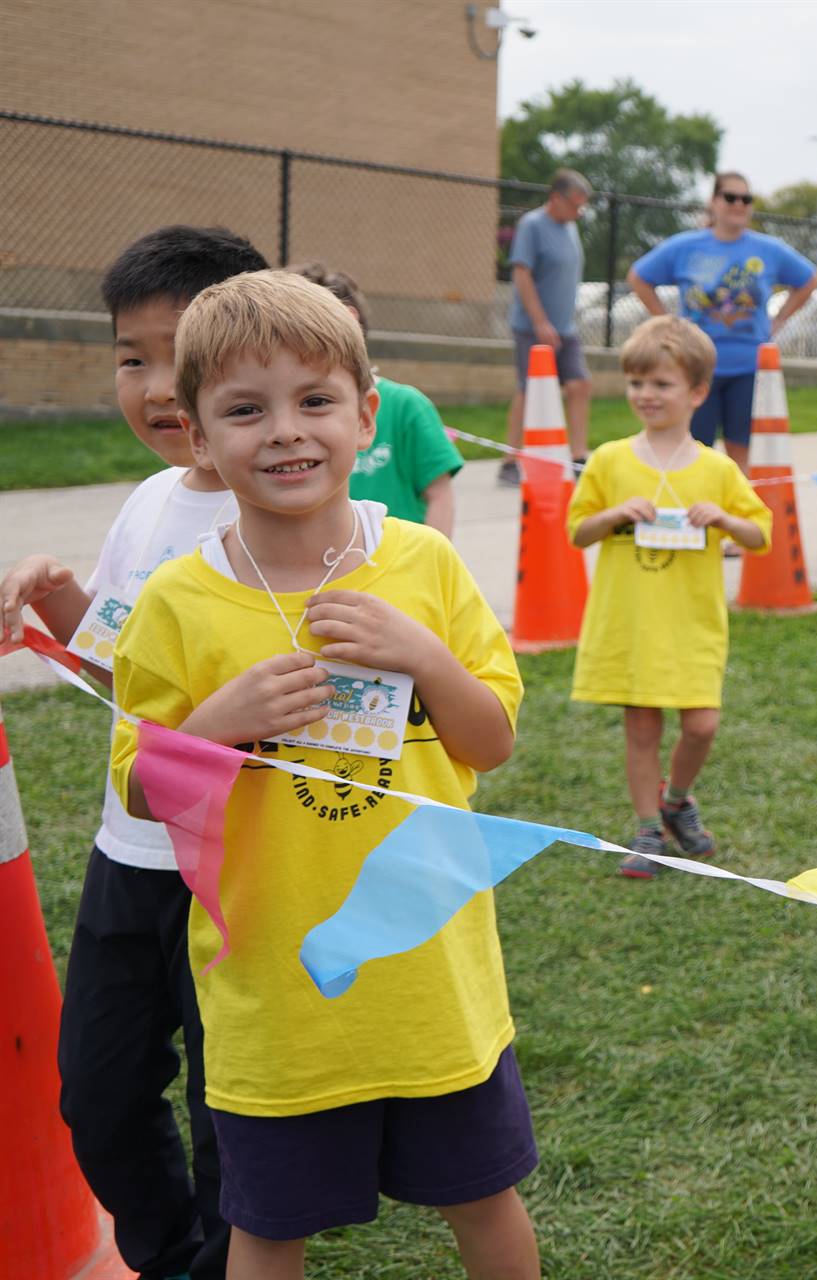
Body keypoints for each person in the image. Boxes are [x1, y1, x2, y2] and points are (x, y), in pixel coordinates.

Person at [109, 270, 537, 1276]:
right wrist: (221, 724)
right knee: (268, 1225)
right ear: (199, 437)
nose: (286, 432)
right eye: (246, 410)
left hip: (431, 979)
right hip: (274, 994)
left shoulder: (423, 564)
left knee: (483, 1196)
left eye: (315, 400)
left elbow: (493, 738)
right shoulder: (178, 602)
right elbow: (138, 782)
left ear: (367, 414)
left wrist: (424, 654)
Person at [0, 224, 266, 1280]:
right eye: (130, 354)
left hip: (236, 868)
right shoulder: (149, 502)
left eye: (180, 352)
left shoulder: (277, 513)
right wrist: (58, 605)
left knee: (227, 1111)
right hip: (128, 856)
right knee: (97, 1094)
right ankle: (172, 1256)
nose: (157, 385)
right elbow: (127, 668)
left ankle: (225, 1260)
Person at [569, 316, 772, 879]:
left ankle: (676, 798)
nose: (646, 395)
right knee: (641, 727)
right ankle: (646, 830)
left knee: (702, 724)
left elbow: (761, 534)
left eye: (661, 384)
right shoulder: (610, 460)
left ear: (697, 392)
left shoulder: (717, 468)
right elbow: (577, 531)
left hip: (692, 622)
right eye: (637, 383)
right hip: (631, 621)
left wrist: (728, 519)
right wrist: (613, 515)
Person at [630, 172, 817, 472]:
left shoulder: (768, 249)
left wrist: (779, 320)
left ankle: (733, 513)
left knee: (741, 451)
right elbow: (639, 277)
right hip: (696, 366)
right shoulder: (685, 246)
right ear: (714, 202)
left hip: (748, 366)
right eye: (730, 197)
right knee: (693, 448)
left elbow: (809, 279)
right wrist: (666, 322)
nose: (739, 205)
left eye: (746, 199)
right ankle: (694, 511)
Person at [291, 263, 462, 535]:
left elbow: (439, 495)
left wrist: (430, 567)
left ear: (350, 322)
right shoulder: (286, 420)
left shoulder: (407, 405)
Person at [500, 168, 593, 486]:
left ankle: (578, 457)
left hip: (565, 328)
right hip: (533, 328)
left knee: (580, 385)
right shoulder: (532, 225)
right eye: (575, 205)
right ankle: (510, 461)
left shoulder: (570, 228)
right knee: (528, 390)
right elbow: (522, 274)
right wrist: (540, 321)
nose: (579, 213)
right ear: (556, 198)